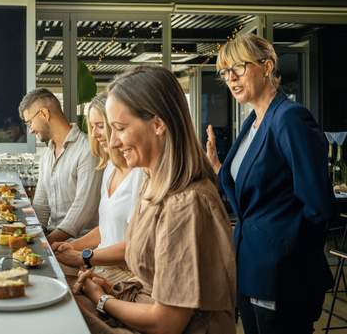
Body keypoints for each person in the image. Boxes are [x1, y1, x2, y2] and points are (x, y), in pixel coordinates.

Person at [75, 66, 236, 334]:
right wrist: (110, 289)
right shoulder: (153, 184)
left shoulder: (186, 204)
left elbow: (166, 322)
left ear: (158, 124)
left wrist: (101, 299)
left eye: (120, 128)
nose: (113, 142)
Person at [206, 33, 335, 334]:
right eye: (225, 72)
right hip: (251, 269)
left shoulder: (290, 118)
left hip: (281, 276)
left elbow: (318, 207)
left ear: (266, 67)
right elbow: (255, 196)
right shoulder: (253, 122)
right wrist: (217, 168)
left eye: (238, 67)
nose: (231, 78)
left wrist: (286, 257)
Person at [52, 92, 143, 283]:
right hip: (100, 263)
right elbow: (106, 228)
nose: (93, 134)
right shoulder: (109, 167)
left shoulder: (141, 174)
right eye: (91, 127)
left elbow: (138, 245)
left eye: (100, 126)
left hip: (125, 274)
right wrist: (73, 247)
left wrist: (83, 257)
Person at [18, 88, 102, 244]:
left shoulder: (87, 150)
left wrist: (46, 243)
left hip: (80, 245)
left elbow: (83, 209)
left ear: (44, 114)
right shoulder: (47, 155)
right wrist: (28, 236)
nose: (30, 130)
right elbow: (41, 206)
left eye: (30, 122)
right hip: (54, 240)